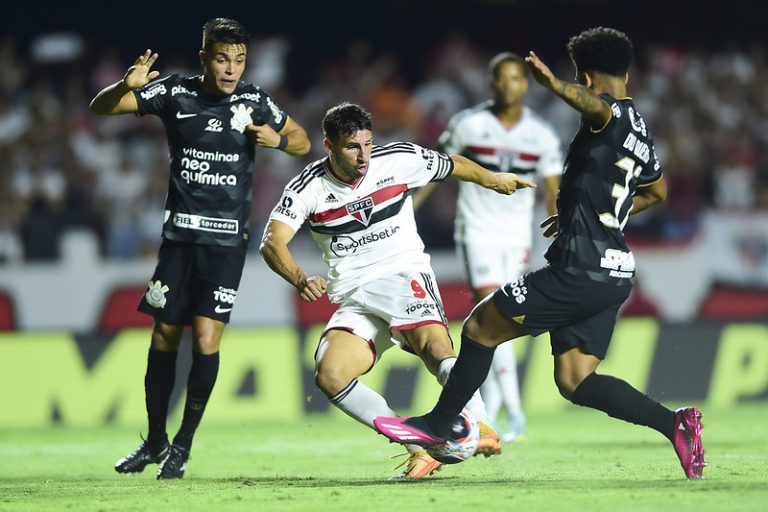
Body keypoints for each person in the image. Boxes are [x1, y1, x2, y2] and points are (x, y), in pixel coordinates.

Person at [374, 27, 706, 479]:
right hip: (614, 270)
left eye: (578, 81)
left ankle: (438, 425)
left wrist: (553, 86)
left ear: (586, 78)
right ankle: (676, 424)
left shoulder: (605, 112)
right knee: (575, 380)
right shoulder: (642, 133)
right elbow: (658, 191)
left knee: (479, 327)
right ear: (627, 70)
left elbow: (597, 107)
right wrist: (588, 214)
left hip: (579, 268)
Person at [260, 102, 534, 478]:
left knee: (435, 349)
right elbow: (272, 242)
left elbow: (452, 164)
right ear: (329, 146)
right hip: (355, 294)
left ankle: (481, 425)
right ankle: (420, 448)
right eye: (352, 147)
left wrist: (493, 179)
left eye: (368, 144)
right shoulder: (309, 187)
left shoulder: (398, 159)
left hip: (402, 274)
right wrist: (300, 278)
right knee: (330, 374)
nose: (363, 155)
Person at [89, 17, 310, 479]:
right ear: (204, 59)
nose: (231, 69)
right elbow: (102, 108)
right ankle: (154, 441)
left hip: (226, 244)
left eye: (240, 60)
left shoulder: (254, 101)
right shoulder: (175, 93)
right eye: (223, 59)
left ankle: (182, 447)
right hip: (179, 241)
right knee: (164, 336)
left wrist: (279, 141)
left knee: (207, 339)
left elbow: (302, 139)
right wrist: (120, 87)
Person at [414, 52, 562, 442]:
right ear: (492, 83)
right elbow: (438, 167)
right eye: (502, 78)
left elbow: (553, 191)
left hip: (516, 236)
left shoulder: (542, 135)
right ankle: (513, 413)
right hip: (476, 229)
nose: (509, 85)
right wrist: (409, 207)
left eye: (517, 78)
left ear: (524, 84)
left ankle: (495, 409)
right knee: (490, 307)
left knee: (501, 318)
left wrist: (559, 228)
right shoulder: (469, 124)